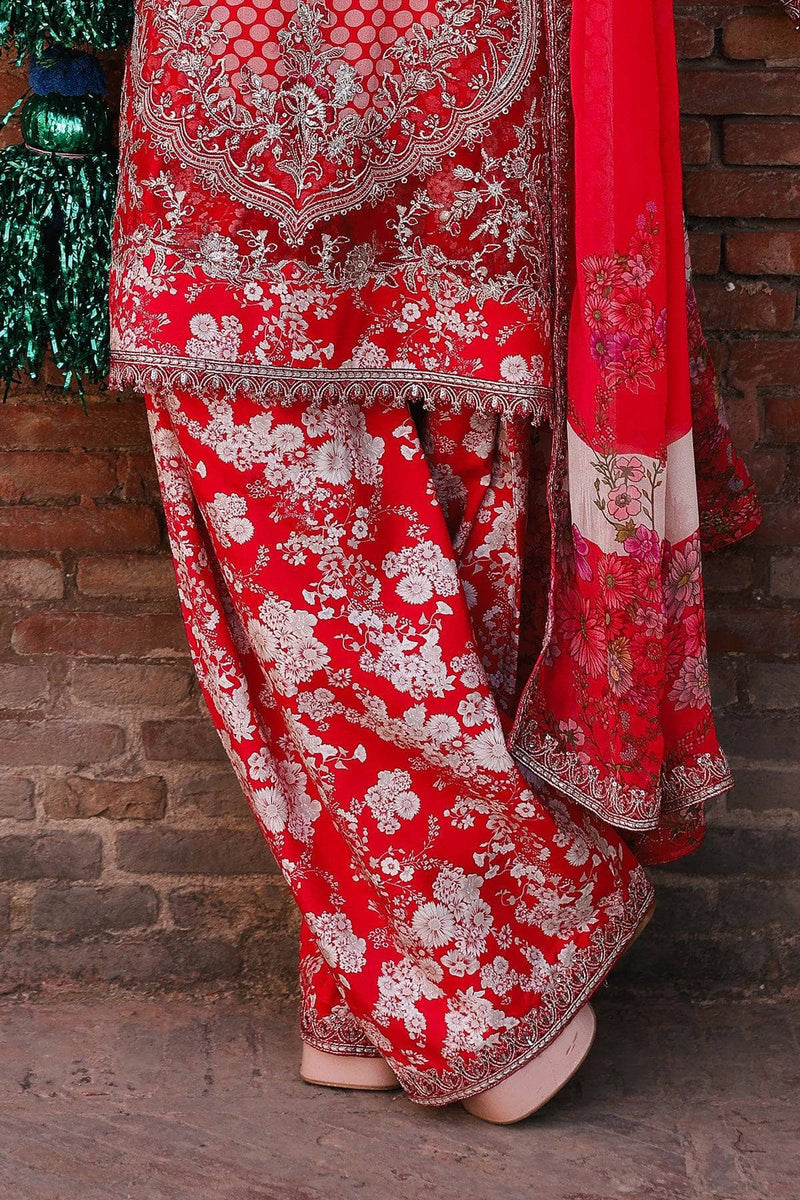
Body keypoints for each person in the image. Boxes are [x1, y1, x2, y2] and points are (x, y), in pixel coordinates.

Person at [108, 0, 780, 1121]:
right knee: (307, 556)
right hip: (287, 103)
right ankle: (474, 971)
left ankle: (387, 994)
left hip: (434, 101)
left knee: (446, 545)